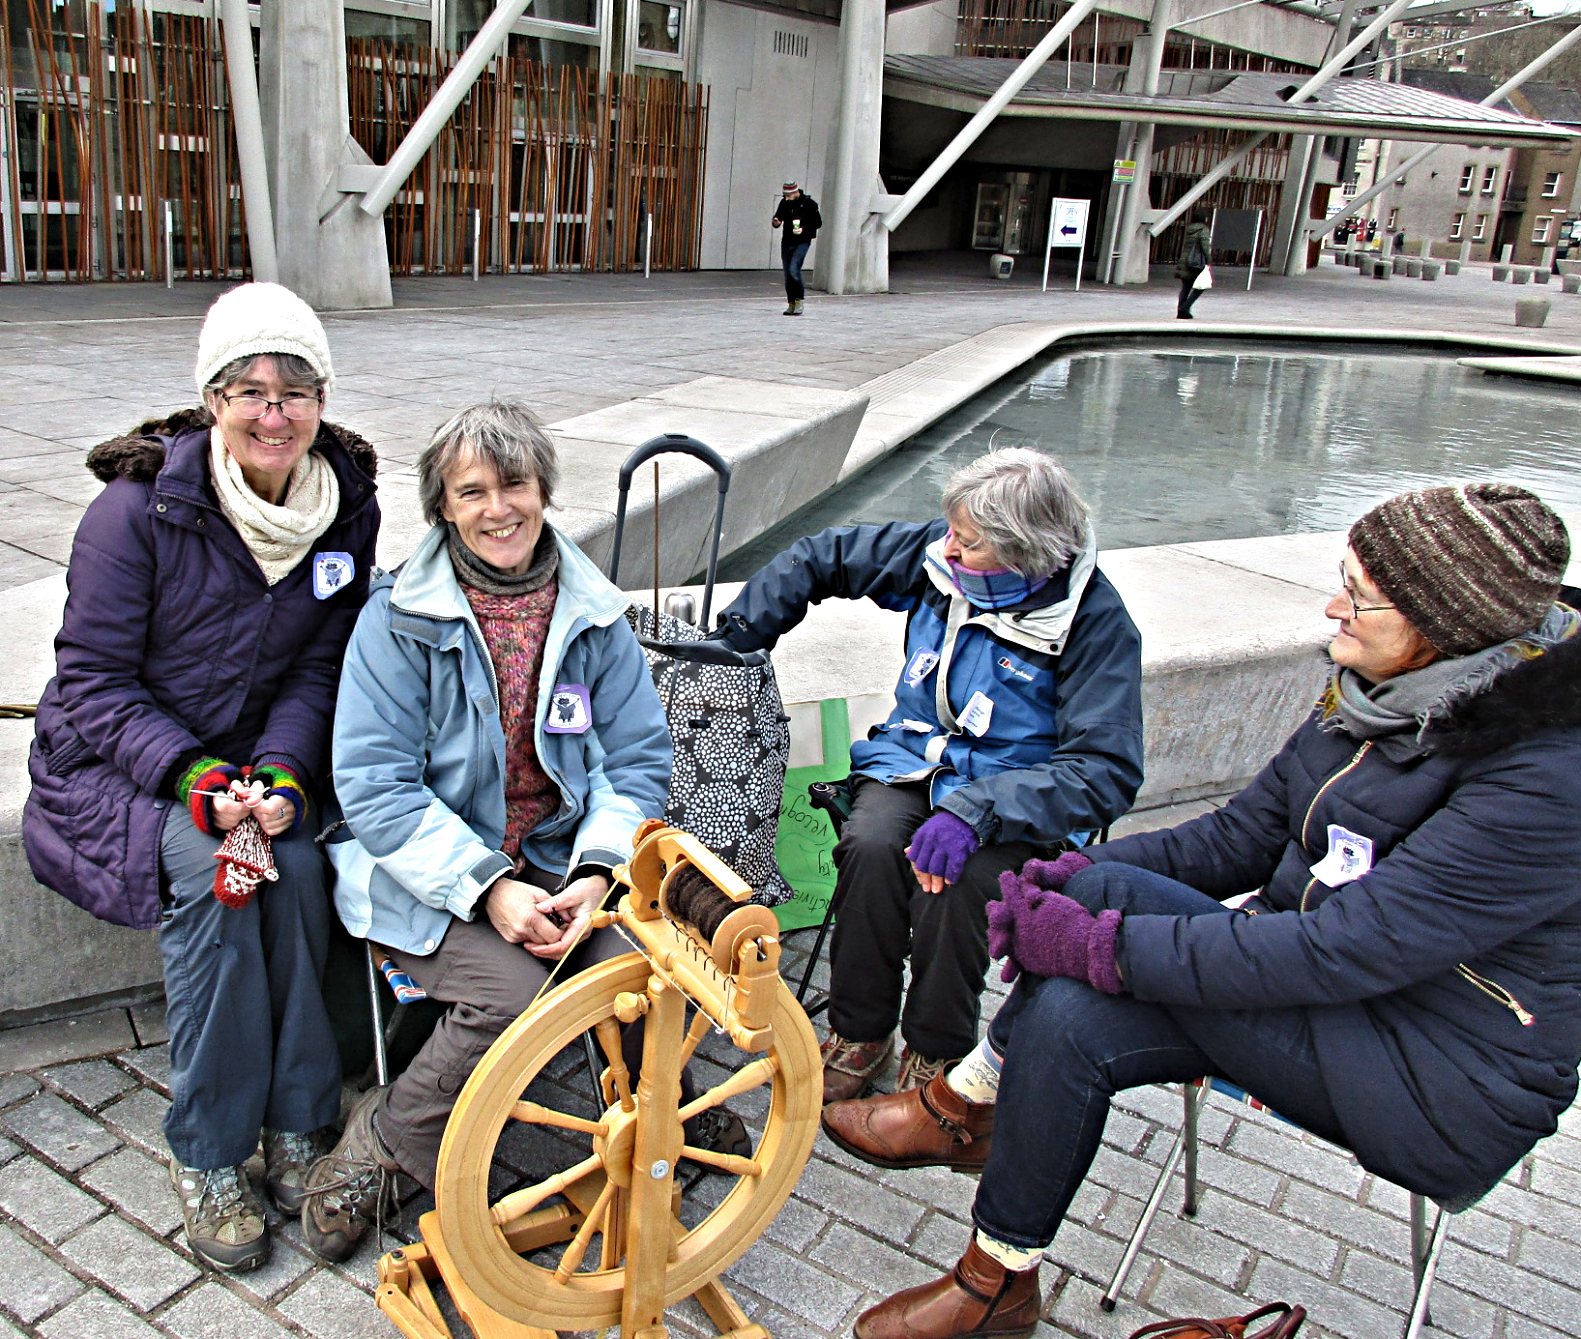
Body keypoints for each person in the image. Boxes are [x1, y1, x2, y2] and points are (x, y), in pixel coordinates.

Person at [821, 483, 1581, 1339]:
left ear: (1443, 624)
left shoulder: (1545, 777)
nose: (1332, 606)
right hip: (1324, 991)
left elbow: (1340, 949)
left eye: (1359, 595)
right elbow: (1232, 838)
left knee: (1088, 963)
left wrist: (1096, 943)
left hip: (1438, 1068)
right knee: (1074, 991)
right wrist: (1064, 875)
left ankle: (968, 1117)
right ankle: (995, 1270)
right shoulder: (1381, 694)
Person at [303, 400, 744, 1261]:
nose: (497, 507)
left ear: (543, 488)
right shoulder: (394, 618)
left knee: (645, 969)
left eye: (514, 483)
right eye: (472, 491)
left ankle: (660, 1113)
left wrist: (598, 872)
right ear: (442, 507)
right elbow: (374, 787)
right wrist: (486, 887)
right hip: (424, 872)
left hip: (557, 859)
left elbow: (637, 761)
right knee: (509, 996)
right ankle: (384, 1142)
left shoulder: (593, 611)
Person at [23, 283, 380, 1272]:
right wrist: (196, 778)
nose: (275, 413)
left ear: (322, 399)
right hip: (121, 765)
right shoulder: (137, 513)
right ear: (212, 400)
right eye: (250, 389)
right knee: (230, 879)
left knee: (296, 864)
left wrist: (279, 775)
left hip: (251, 768)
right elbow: (90, 683)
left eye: (296, 389)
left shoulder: (346, 508)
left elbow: (317, 666)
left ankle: (301, 1121)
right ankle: (212, 1149)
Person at [708, 448, 1144, 1101]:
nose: (948, 549)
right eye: (951, 533)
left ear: (1022, 553)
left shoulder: (1094, 623)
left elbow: (1105, 770)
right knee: (871, 842)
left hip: (1017, 797)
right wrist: (738, 637)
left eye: (968, 545)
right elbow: (819, 556)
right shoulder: (944, 559)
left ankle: (935, 1053)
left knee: (957, 880)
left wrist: (979, 809)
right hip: (914, 759)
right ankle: (860, 1032)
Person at [772, 180, 821, 316]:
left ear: (795, 192)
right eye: (784, 195)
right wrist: (776, 221)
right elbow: (778, 219)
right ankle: (791, 303)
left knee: (794, 270)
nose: (786, 197)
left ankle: (799, 300)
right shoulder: (784, 203)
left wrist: (804, 229)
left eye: (788, 195)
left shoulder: (809, 204)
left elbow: (818, 222)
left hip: (802, 241)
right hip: (787, 241)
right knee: (788, 274)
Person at [1175, 210, 1211, 320]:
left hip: (1184, 261)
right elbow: (1205, 247)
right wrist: (1208, 261)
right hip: (1195, 263)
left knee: (1185, 287)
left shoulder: (1189, 229)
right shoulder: (1203, 230)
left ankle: (1181, 313)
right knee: (1201, 286)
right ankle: (1185, 308)